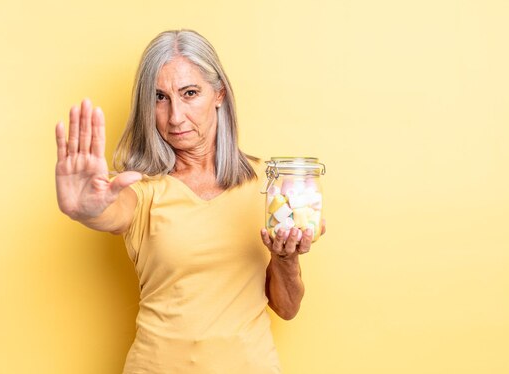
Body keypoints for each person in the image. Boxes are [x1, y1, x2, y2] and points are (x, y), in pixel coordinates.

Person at [55, 29, 325, 373]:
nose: (175, 116)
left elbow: (287, 308)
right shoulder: (140, 188)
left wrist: (285, 258)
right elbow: (112, 212)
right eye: (159, 97)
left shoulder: (267, 185)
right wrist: (87, 210)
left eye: (189, 93)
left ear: (219, 94)